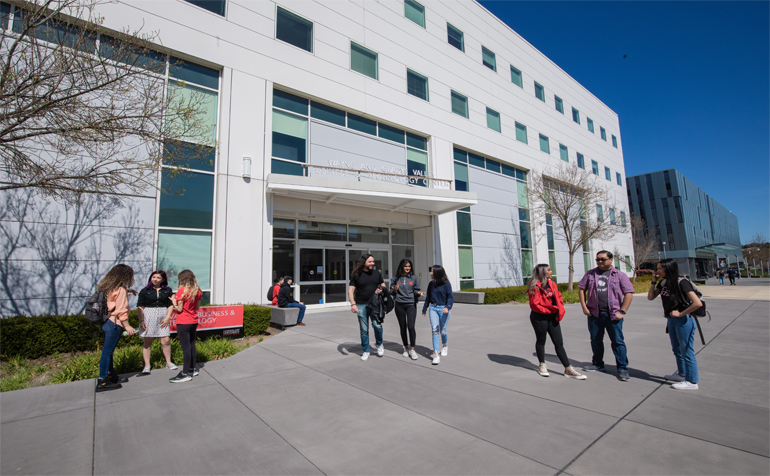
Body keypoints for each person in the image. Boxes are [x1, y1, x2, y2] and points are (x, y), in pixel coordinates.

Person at [578, 250, 635, 381]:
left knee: (618, 342)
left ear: (611, 260)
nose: (600, 262)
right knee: (595, 340)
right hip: (594, 314)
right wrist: (584, 307)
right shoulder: (590, 274)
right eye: (598, 259)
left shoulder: (620, 275)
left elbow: (629, 293)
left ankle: (622, 368)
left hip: (613, 315)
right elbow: (581, 289)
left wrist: (622, 311)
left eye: (603, 259)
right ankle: (598, 364)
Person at [647, 259, 702, 390]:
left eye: (660, 268)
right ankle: (682, 374)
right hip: (671, 320)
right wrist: (653, 282)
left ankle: (692, 381)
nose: (658, 271)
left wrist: (681, 313)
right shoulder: (663, 283)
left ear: (668, 268)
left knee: (687, 350)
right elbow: (650, 297)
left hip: (684, 320)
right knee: (677, 349)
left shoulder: (682, 282)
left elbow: (697, 303)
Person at [527, 264, 586, 380]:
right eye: (549, 270)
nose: (551, 271)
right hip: (540, 317)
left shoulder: (552, 284)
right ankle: (542, 365)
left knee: (559, 342)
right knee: (541, 340)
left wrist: (560, 309)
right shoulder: (535, 286)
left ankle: (568, 368)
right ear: (543, 272)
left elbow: (558, 297)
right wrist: (549, 310)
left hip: (552, 316)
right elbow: (534, 305)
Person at [96, 264, 137, 392]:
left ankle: (111, 376)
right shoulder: (121, 290)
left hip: (106, 322)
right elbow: (121, 310)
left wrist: (128, 291)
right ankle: (102, 381)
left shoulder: (108, 287)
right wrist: (127, 326)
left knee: (108, 352)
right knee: (107, 353)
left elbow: (112, 299)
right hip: (115, 323)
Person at [137, 270, 177, 375]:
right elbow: (140, 306)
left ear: (162, 279)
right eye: (153, 277)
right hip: (148, 316)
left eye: (158, 278)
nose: (155, 279)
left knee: (166, 340)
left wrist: (168, 317)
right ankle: (147, 365)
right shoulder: (145, 291)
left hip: (162, 315)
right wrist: (141, 320)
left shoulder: (167, 290)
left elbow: (170, 305)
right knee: (147, 342)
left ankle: (168, 362)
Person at [348, 254, 386, 361]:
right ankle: (366, 351)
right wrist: (353, 304)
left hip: (375, 304)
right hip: (361, 305)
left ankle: (379, 344)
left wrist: (381, 290)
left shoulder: (377, 273)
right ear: (363, 262)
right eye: (370, 262)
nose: (372, 263)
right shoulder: (356, 274)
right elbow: (350, 290)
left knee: (377, 326)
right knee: (364, 329)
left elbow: (383, 285)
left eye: (373, 261)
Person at [169, 270, 202, 383]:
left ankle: (185, 373)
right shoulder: (198, 290)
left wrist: (174, 302)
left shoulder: (182, 291)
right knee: (192, 345)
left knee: (186, 348)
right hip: (193, 321)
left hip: (183, 322)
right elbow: (197, 308)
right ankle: (193, 369)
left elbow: (179, 309)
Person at [390, 258, 424, 360]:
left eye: (409, 266)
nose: (407, 268)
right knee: (403, 327)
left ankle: (412, 349)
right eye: (405, 266)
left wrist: (419, 293)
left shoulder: (413, 278)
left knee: (411, 327)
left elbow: (416, 290)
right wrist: (394, 290)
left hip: (411, 304)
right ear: (402, 267)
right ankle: (406, 348)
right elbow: (391, 292)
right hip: (399, 305)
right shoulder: (396, 278)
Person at [422, 265, 453, 365]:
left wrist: (447, 307)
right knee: (435, 330)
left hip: (443, 309)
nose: (430, 273)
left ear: (437, 273)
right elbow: (428, 298)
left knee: (442, 330)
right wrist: (424, 309)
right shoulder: (431, 284)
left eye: (432, 271)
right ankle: (436, 354)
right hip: (433, 308)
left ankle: (445, 346)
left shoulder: (446, 284)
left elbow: (450, 297)